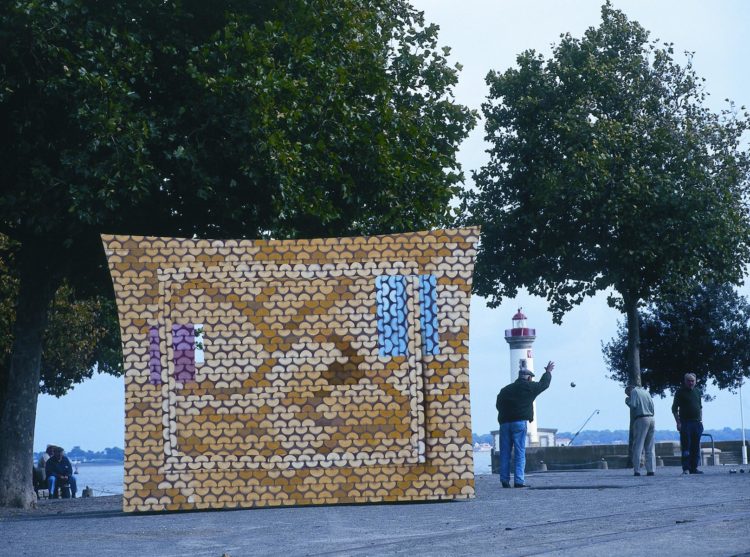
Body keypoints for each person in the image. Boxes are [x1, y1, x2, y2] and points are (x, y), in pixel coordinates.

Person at [496, 360, 554, 488]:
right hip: (519, 423)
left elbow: (498, 404)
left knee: (504, 452)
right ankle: (519, 481)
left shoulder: (505, 390)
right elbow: (544, 384)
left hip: (504, 424)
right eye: (531, 378)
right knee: (519, 452)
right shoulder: (530, 387)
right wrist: (548, 372)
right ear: (528, 377)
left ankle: (504, 480)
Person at [672, 372, 704, 475]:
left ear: (695, 381)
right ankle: (686, 468)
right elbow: (674, 409)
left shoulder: (698, 392)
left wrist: (701, 421)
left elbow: (700, 407)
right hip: (685, 423)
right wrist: (678, 422)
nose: (691, 383)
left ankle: (694, 468)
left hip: (697, 423)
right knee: (686, 446)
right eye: (689, 381)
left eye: (692, 381)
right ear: (685, 381)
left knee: (696, 447)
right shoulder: (680, 392)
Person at [625, 385, 655, 476]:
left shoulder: (634, 392)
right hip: (651, 418)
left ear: (629, 390)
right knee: (650, 446)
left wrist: (627, 401)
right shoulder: (646, 392)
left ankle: (637, 470)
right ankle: (651, 470)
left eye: (627, 394)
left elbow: (633, 405)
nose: (628, 395)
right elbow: (652, 407)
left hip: (641, 418)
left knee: (638, 445)